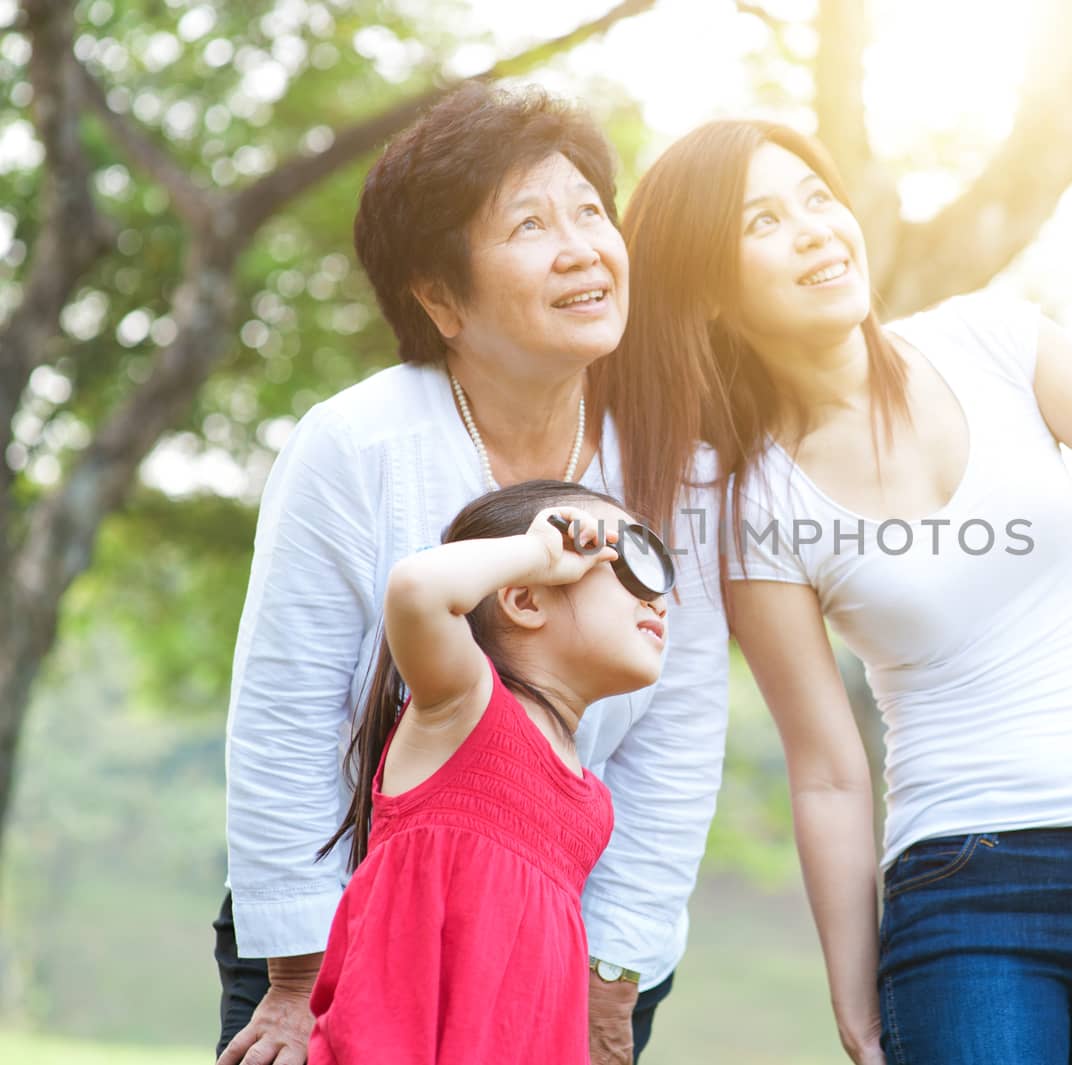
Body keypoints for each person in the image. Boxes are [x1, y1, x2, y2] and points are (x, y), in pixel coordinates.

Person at [609, 103, 1072, 1064]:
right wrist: (853, 991)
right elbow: (827, 769)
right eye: (762, 222)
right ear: (709, 291)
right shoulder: (753, 499)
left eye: (817, 199)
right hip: (967, 887)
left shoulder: (993, 340)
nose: (814, 231)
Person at [216, 83, 727, 1065]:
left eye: (590, 212)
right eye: (530, 224)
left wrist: (611, 977)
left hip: (559, 939)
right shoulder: (355, 446)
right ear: (440, 296)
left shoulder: (672, 461)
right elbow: (287, 708)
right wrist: (291, 984)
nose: (581, 246)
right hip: (349, 923)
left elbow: (679, 735)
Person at [308, 484, 663, 1064]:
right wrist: (541, 553)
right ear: (524, 600)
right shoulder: (464, 704)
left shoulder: (591, 801)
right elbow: (418, 588)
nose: (657, 598)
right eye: (625, 565)